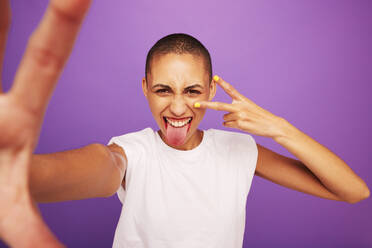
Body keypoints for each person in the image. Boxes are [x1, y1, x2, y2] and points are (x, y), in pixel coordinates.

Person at [0, 0, 370, 247]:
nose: (178, 107)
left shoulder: (239, 150)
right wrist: (19, 173)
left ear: (211, 88)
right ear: (144, 88)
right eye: (163, 89)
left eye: (192, 90)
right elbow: (102, 167)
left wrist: (279, 128)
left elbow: (352, 191)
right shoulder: (133, 151)